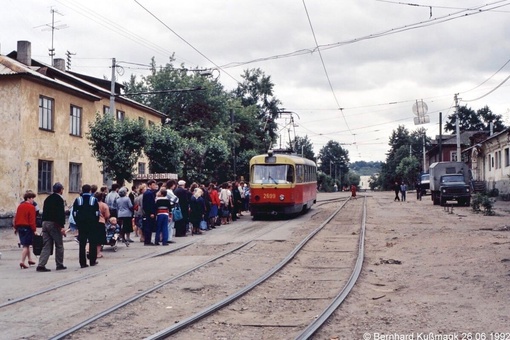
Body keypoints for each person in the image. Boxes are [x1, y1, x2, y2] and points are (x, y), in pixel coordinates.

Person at [37, 182, 67, 272]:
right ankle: (59, 264)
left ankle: (41, 264)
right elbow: (60, 214)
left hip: (45, 223)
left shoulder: (48, 198)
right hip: (54, 224)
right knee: (59, 245)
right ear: (60, 190)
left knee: (46, 245)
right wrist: (61, 227)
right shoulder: (59, 199)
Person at [73, 184, 100, 268]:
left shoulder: (78, 200)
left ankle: (82, 263)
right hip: (92, 223)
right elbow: (97, 213)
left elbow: (74, 213)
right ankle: (92, 261)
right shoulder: (93, 199)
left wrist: (77, 222)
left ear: (82, 190)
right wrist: (96, 222)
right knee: (92, 242)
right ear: (90, 190)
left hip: (81, 224)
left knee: (82, 243)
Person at [13, 190, 37, 269]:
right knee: (26, 245)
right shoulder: (31, 207)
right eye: (32, 198)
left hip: (20, 227)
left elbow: (16, 217)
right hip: (27, 227)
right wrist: (34, 230)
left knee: (26, 243)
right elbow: (32, 220)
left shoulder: (20, 206)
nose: (33, 200)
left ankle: (30, 259)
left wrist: (15, 227)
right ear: (29, 198)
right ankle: (22, 261)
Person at [142, 180, 158, 245]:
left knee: (149, 226)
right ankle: (147, 241)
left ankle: (148, 240)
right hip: (149, 213)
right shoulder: (149, 193)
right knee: (149, 227)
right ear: (149, 185)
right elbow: (149, 204)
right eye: (153, 185)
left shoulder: (148, 192)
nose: (154, 186)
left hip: (148, 212)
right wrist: (151, 212)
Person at [94, 191, 110, 258]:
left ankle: (90, 251)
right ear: (102, 197)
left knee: (93, 238)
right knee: (99, 239)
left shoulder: (93, 204)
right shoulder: (104, 205)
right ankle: (98, 253)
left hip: (93, 222)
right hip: (101, 222)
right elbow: (107, 215)